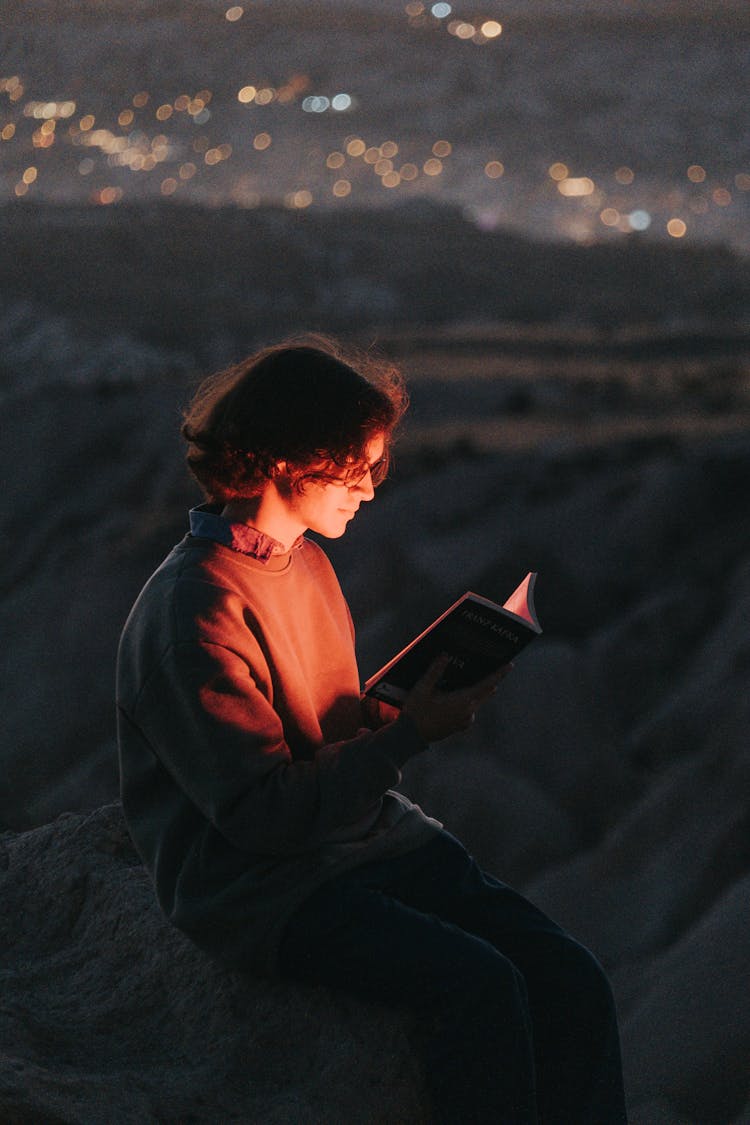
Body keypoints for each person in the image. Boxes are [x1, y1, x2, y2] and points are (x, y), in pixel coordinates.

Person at [116, 336, 627, 1124]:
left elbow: (325, 734)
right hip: (262, 888)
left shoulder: (304, 561)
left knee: (571, 978)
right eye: (358, 468)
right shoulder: (194, 614)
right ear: (291, 458)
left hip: (357, 839)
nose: (370, 490)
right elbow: (263, 817)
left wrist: (398, 702)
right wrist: (407, 735)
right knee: (481, 987)